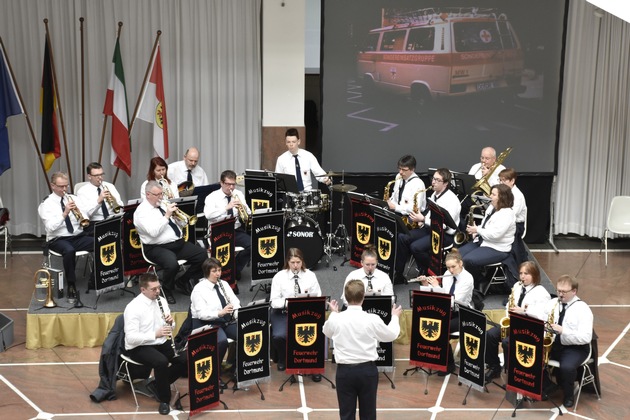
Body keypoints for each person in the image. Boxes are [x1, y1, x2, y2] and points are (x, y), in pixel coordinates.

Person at [323, 279, 402, 420]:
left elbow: (327, 332)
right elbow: (391, 335)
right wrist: (395, 317)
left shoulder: (337, 319)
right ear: (363, 296)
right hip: (367, 372)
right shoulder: (372, 319)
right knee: (369, 414)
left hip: (344, 372)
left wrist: (334, 313)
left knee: (346, 414)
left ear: (345, 298)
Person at [133, 180, 207, 304]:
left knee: (203, 256)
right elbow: (153, 232)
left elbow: (182, 225)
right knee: (172, 264)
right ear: (148, 195)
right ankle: (166, 290)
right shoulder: (141, 213)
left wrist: (178, 218)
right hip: (155, 247)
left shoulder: (162, 204)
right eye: (157, 195)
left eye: (161, 194)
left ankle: (183, 280)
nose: (161, 197)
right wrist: (167, 216)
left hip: (177, 243)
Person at [123, 273, 187, 415]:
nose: (157, 292)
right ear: (143, 290)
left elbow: (170, 326)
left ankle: (157, 384)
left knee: (185, 359)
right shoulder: (133, 308)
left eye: (158, 288)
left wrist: (171, 323)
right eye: (153, 289)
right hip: (139, 346)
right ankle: (164, 400)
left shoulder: (162, 301)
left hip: (160, 341)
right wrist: (154, 334)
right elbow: (131, 338)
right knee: (161, 362)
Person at [530, 275, 593, 408]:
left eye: (564, 292)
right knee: (532, 354)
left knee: (567, 367)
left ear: (574, 291)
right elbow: (542, 320)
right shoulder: (553, 303)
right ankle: (547, 385)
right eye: (558, 291)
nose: (560, 294)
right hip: (553, 343)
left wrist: (563, 331)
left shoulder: (583, 309)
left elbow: (586, 337)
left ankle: (568, 394)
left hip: (576, 347)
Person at [484, 261, 551, 383]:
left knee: (507, 343)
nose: (522, 277)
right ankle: (494, 367)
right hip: (514, 323)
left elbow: (542, 315)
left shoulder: (541, 293)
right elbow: (509, 304)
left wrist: (524, 311)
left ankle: (513, 374)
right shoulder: (517, 286)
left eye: (526, 273)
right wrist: (508, 314)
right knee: (490, 335)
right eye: (521, 273)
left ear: (535, 275)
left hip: (529, 329)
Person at [38, 172, 94, 303]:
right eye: (61, 186)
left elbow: (86, 215)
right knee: (69, 251)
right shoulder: (46, 204)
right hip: (58, 239)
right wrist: (65, 213)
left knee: (100, 243)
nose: (64, 189)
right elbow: (51, 227)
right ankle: (71, 285)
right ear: (53, 186)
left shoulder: (74, 198)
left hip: (77, 236)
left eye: (66, 186)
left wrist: (82, 215)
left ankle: (96, 278)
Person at [396, 168, 461, 279]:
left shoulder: (451, 200)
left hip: (444, 235)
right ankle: (398, 274)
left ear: (445, 183)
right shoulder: (435, 194)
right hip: (431, 229)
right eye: (433, 179)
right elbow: (432, 216)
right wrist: (423, 219)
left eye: (437, 180)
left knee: (416, 247)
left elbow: (445, 226)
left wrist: (423, 219)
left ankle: (429, 272)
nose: (433, 182)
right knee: (402, 237)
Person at [417, 249, 474, 375]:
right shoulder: (447, 274)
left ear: (460, 263)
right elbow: (441, 295)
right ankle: (437, 357)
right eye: (448, 268)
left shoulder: (467, 279)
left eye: (453, 267)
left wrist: (436, 286)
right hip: (448, 311)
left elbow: (453, 300)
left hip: (463, 314)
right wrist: (426, 284)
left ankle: (449, 365)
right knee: (430, 323)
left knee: (441, 328)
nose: (451, 271)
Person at [269, 248, 322, 373]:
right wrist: (288, 302)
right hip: (284, 313)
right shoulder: (279, 277)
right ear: (288, 262)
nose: (295, 266)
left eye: (298, 262)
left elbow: (318, 295)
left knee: (316, 334)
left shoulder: (310, 275)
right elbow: (274, 301)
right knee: (278, 336)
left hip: (306, 313)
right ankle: (283, 358)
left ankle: (313, 366)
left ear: (302, 261)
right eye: (292, 262)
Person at [190, 257, 240, 379]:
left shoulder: (224, 284)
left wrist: (236, 313)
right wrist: (220, 313)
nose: (218, 273)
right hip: (205, 323)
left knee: (243, 333)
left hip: (224, 320)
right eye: (214, 271)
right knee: (220, 341)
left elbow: (235, 301)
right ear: (207, 272)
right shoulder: (199, 290)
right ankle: (214, 374)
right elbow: (202, 313)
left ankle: (233, 368)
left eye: (219, 270)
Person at [459, 184, 516, 285]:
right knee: (457, 256)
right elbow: (487, 226)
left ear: (502, 197)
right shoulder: (492, 207)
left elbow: (495, 235)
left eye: (493, 195)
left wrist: (477, 230)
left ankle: (479, 282)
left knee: (468, 260)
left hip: (497, 248)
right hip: (484, 241)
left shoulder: (507, 214)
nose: (490, 196)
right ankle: (465, 281)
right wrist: (476, 230)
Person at [203, 170, 251, 285]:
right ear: (221, 183)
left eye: (233, 184)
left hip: (235, 229)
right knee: (223, 252)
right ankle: (223, 274)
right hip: (218, 230)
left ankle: (235, 270)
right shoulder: (212, 197)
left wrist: (243, 208)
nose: (231, 187)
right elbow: (208, 215)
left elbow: (248, 213)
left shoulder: (238, 194)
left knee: (252, 245)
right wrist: (226, 207)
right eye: (228, 184)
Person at [77, 162, 124, 227]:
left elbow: (121, 206)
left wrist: (115, 202)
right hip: (96, 222)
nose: (100, 178)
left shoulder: (110, 186)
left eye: (101, 174)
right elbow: (87, 215)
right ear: (89, 176)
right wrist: (99, 201)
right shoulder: (82, 192)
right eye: (96, 175)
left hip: (113, 219)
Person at [499, 168, 528, 264]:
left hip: (517, 225)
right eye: (500, 180)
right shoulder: (504, 192)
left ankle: (514, 263)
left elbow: (511, 215)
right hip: (508, 221)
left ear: (512, 181)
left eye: (504, 180)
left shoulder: (517, 196)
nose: (501, 183)